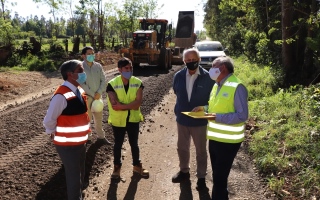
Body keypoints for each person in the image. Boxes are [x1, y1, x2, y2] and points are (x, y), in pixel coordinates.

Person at [192, 56, 249, 199]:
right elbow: (215, 108)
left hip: (229, 142)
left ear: (222, 68)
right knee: (219, 175)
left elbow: (242, 115)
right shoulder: (217, 85)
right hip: (215, 138)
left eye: (213, 66)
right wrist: (203, 108)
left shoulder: (237, 86)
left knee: (218, 179)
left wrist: (216, 117)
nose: (211, 69)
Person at [43, 60, 90, 200]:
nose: (83, 73)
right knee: (74, 177)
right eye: (80, 71)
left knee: (80, 171)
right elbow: (49, 120)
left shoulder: (78, 90)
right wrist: (53, 133)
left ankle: (79, 194)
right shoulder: (60, 95)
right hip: (68, 145)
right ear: (70, 74)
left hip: (80, 142)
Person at [172, 48, 215, 191]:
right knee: (182, 148)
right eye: (188, 60)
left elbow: (214, 101)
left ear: (199, 59)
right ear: (184, 61)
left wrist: (204, 107)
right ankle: (184, 172)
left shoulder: (208, 77)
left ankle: (201, 178)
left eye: (193, 59)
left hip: (199, 121)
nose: (191, 62)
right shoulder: (178, 76)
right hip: (182, 120)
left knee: (201, 150)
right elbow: (176, 92)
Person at [106, 57, 149, 179]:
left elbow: (138, 103)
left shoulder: (138, 82)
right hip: (118, 121)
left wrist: (122, 106)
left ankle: (137, 166)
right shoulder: (112, 84)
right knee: (118, 144)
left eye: (130, 68)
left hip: (133, 119)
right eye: (126, 68)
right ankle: (117, 168)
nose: (129, 70)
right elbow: (115, 105)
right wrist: (129, 106)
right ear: (119, 69)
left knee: (134, 144)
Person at [80, 46, 110, 145]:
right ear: (83, 55)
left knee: (99, 118)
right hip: (87, 97)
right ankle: (88, 138)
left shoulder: (98, 66)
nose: (91, 55)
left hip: (98, 97)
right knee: (87, 118)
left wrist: (99, 92)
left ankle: (101, 137)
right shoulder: (80, 68)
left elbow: (103, 79)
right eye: (89, 54)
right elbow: (81, 83)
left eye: (92, 53)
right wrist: (93, 94)